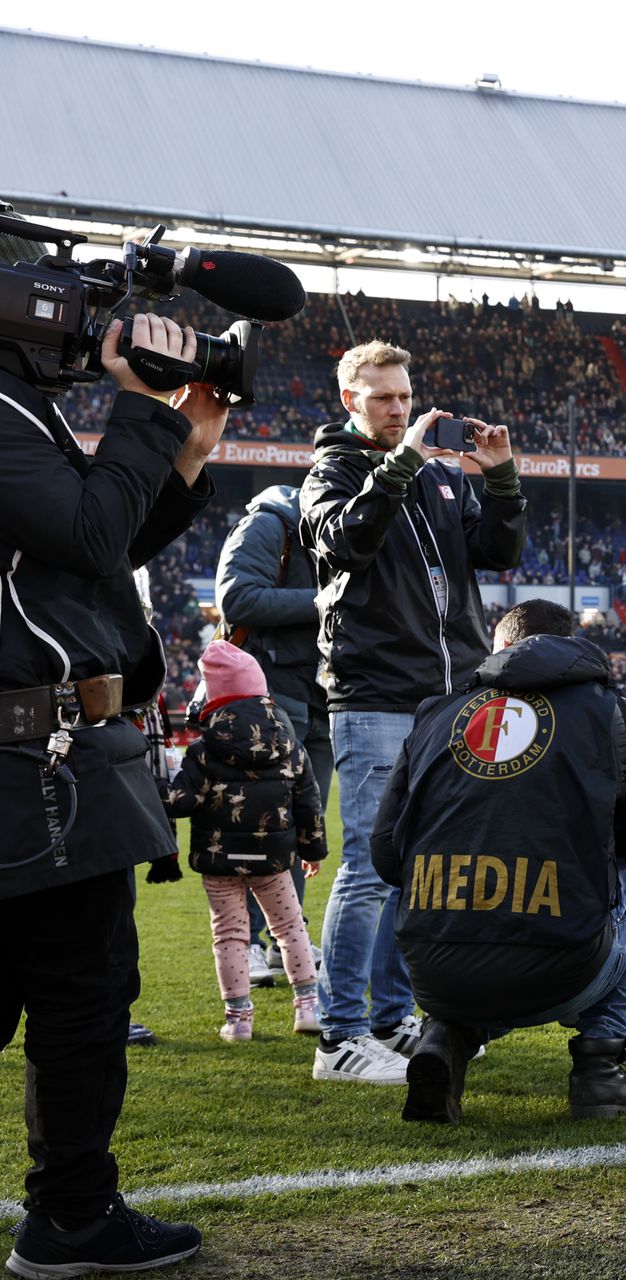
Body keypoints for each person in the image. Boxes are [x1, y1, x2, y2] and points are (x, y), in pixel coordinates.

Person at [0, 282, 217, 1273]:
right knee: (82, 993)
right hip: (24, 759)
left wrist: (186, 449)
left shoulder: (15, 404)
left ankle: (75, 1212)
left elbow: (90, 547)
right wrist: (139, 405)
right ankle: (75, 1215)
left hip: (39, 754)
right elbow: (92, 538)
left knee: (77, 988)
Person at [299, 340, 528, 1084]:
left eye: (404, 395)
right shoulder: (329, 472)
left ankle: (392, 1019)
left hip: (446, 695)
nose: (399, 409)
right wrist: (400, 467)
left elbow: (496, 553)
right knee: (369, 865)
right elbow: (347, 542)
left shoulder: (436, 479)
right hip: (372, 696)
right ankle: (337, 1036)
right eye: (383, 398)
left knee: (419, 867)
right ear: (349, 401)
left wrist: (499, 480)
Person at [369, 600, 626, 1124]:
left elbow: (386, 854)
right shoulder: (608, 709)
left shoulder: (435, 713)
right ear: (571, 645)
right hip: (558, 967)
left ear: (498, 650)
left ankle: (443, 1039)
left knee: (457, 918)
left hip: (434, 972)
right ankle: (599, 1066)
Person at [158, 642, 326, 1042]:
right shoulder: (289, 743)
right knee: (289, 928)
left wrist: (164, 782)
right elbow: (308, 801)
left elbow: (182, 803)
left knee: (230, 934)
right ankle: (307, 1007)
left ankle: (238, 1020)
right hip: (273, 859)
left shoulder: (202, 749)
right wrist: (312, 851)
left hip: (219, 859)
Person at [214, 482, 330, 986]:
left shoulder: (336, 527)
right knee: (264, 824)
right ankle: (256, 944)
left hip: (324, 692)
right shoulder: (271, 523)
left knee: (304, 825)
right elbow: (237, 599)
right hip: (272, 694)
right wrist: (327, 599)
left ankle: (290, 937)